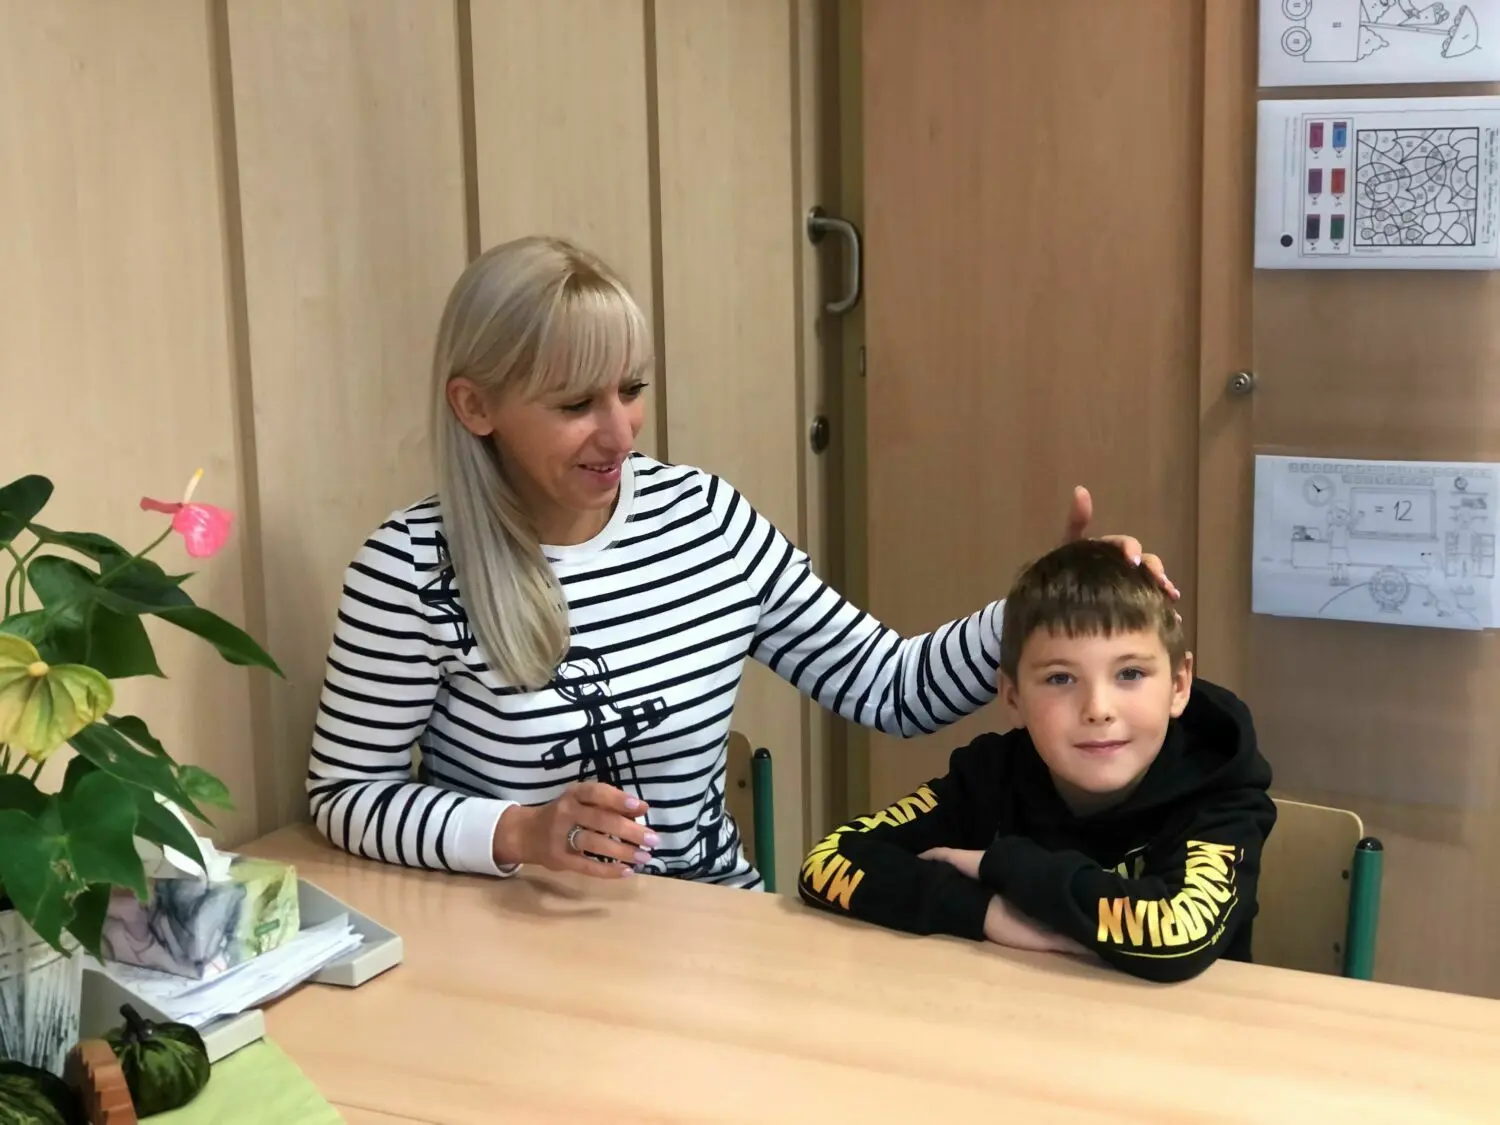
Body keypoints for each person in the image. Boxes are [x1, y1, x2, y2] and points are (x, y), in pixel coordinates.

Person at [305, 235, 1178, 891]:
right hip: (522, 947)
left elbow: (889, 685)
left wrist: (1043, 615)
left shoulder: (705, 520)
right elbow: (346, 794)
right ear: (475, 405)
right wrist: (520, 831)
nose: (619, 433)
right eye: (576, 403)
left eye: (632, 389)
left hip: (712, 931)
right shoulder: (410, 566)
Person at [797, 539, 1275, 982]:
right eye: (1061, 679)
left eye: (1130, 673)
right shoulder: (992, 773)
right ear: (1012, 696)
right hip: (1021, 1028)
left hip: (1185, 1047)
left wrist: (1001, 866)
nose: (1098, 709)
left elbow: (1177, 934)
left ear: (1178, 685)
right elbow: (828, 864)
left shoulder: (1218, 790)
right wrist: (988, 914)